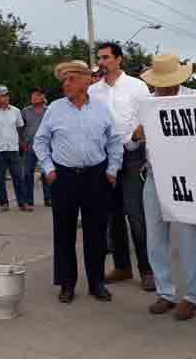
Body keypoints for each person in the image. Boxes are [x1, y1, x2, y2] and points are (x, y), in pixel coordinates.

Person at [34, 60, 123, 304]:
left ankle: (97, 283)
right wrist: (49, 169)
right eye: (63, 80)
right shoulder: (55, 109)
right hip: (64, 177)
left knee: (96, 233)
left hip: (96, 176)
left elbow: (114, 141)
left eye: (71, 79)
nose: (66, 84)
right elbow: (40, 142)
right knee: (64, 232)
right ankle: (66, 284)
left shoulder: (102, 109)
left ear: (86, 80)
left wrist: (113, 170)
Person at [133, 54, 196, 320]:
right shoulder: (148, 103)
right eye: (158, 83)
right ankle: (165, 292)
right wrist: (135, 135)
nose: (161, 87)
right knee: (155, 237)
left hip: (187, 177)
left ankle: (193, 296)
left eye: (166, 82)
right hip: (154, 176)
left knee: (189, 238)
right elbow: (131, 141)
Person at [88, 42, 154, 291]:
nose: (102, 62)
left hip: (132, 157)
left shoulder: (137, 87)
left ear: (119, 59)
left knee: (136, 215)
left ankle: (148, 270)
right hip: (105, 160)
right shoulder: (94, 91)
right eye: (99, 58)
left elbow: (149, 118)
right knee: (112, 215)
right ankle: (122, 267)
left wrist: (137, 137)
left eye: (106, 57)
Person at [0, 85, 27, 212]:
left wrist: (19, 142)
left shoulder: (16, 111)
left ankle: (22, 203)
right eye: (2, 96)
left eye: (7, 95)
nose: (6, 98)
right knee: (0, 178)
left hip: (12, 148)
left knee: (18, 176)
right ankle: (3, 203)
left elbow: (19, 127)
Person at [20, 87, 51, 210]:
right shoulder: (25, 111)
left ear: (43, 97)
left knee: (46, 173)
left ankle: (48, 198)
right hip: (29, 146)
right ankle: (28, 200)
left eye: (37, 95)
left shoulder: (49, 111)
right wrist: (21, 143)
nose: (33, 98)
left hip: (45, 146)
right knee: (27, 173)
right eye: (32, 96)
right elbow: (20, 128)